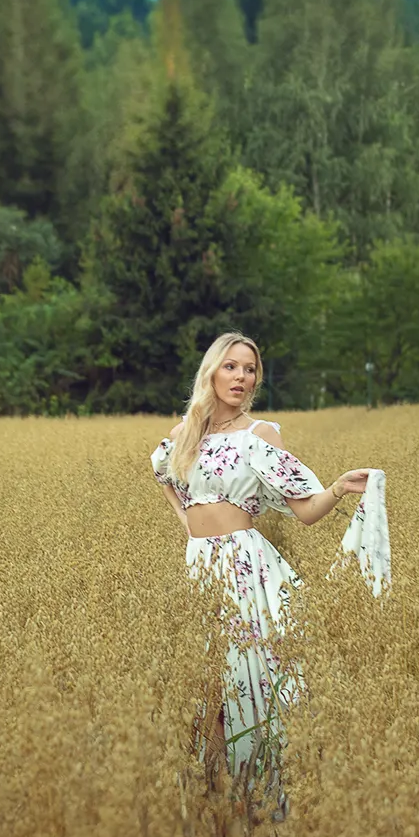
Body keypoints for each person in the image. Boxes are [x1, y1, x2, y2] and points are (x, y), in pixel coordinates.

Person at [151, 330, 386, 796]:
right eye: (231, 366)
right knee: (207, 686)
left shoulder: (260, 434)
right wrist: (190, 531)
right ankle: (212, 792)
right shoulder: (186, 433)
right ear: (211, 372)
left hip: (245, 566)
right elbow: (161, 472)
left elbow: (305, 511)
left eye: (250, 369)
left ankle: (255, 789)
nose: (241, 376)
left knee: (245, 679)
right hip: (199, 567)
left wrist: (337, 488)